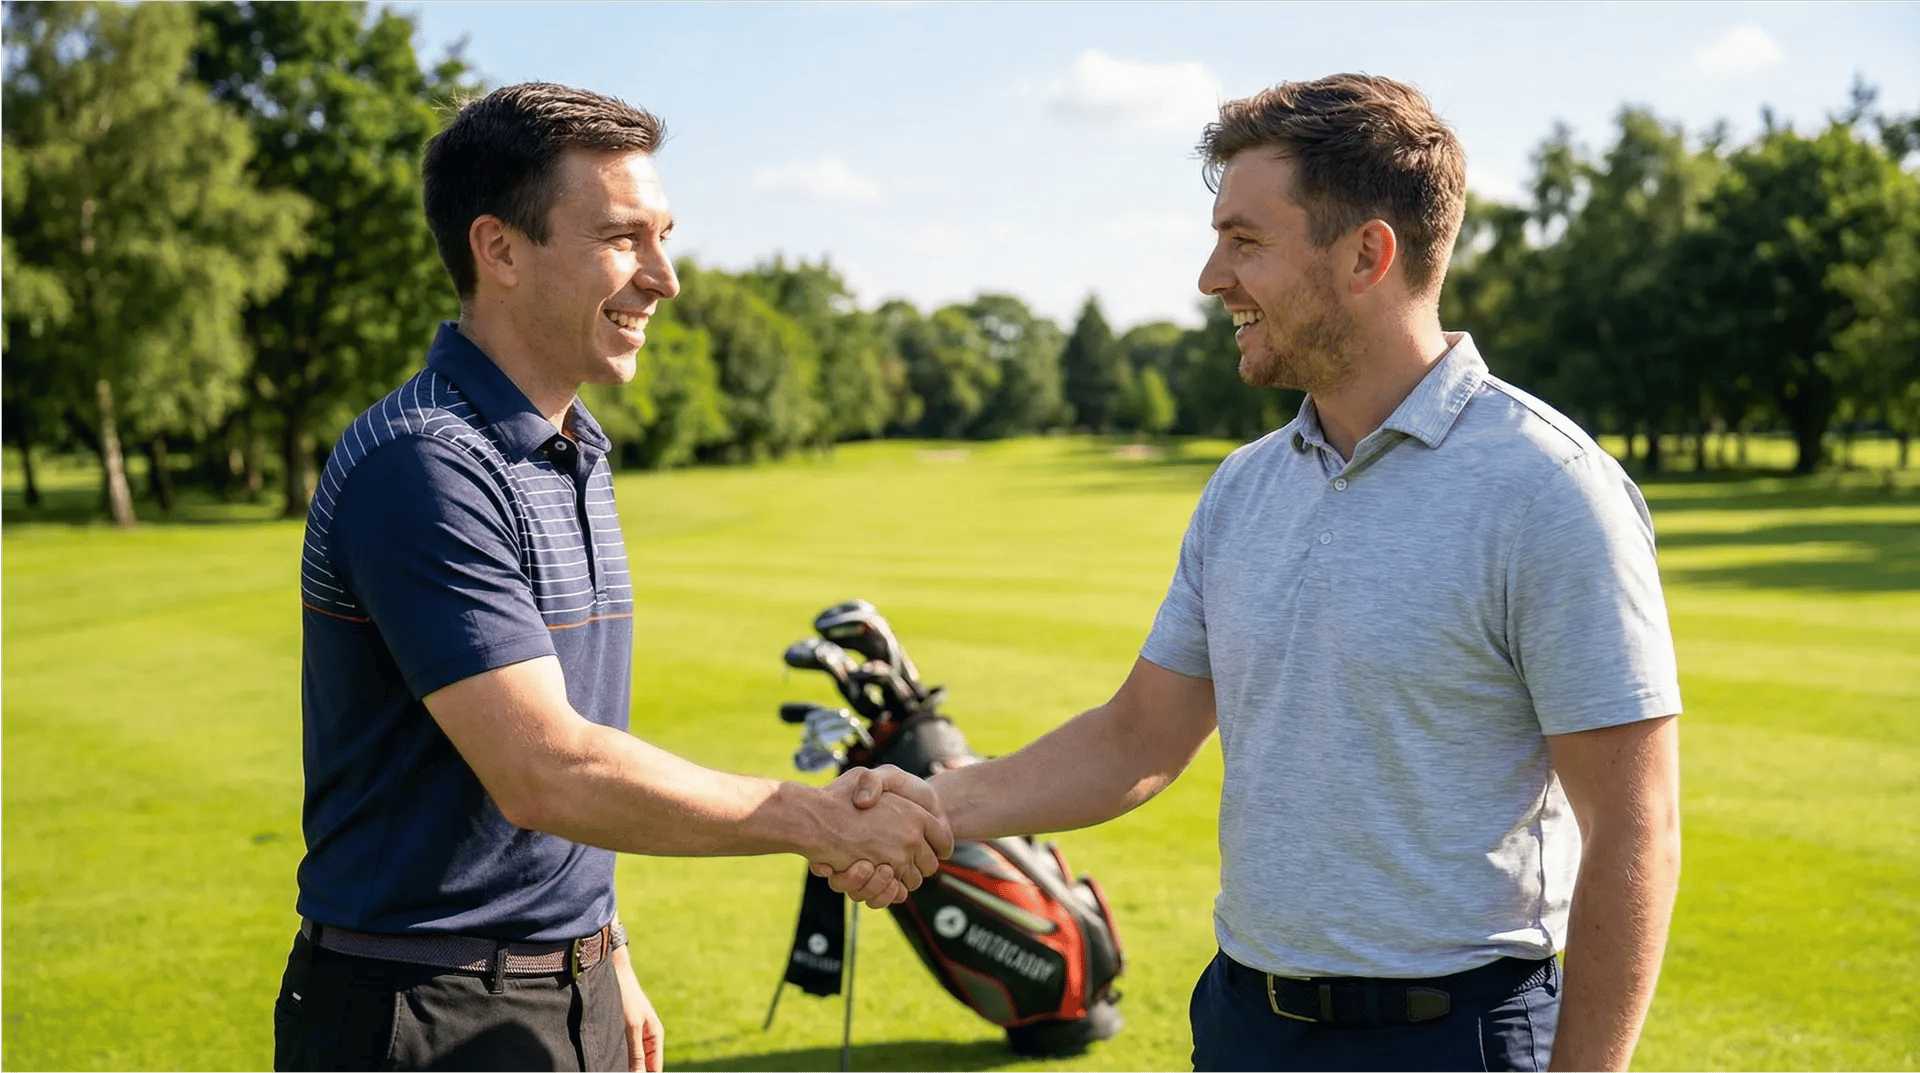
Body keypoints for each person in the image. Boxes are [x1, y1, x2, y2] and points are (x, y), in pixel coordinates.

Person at [826, 74, 1682, 1073]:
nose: (1209, 276)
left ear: (1367, 252)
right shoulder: (1242, 489)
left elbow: (1634, 822)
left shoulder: (1550, 489)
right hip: (1244, 1023)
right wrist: (936, 805)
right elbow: (1137, 737)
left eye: (1246, 241)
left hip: (1458, 1038)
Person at [279, 82, 950, 1073]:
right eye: (623, 239)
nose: (664, 278)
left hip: (566, 983)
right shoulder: (424, 462)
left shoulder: (571, 444)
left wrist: (604, 949)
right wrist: (812, 818)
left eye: (663, 234)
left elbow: (579, 760)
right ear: (499, 249)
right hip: (421, 1009)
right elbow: (545, 768)